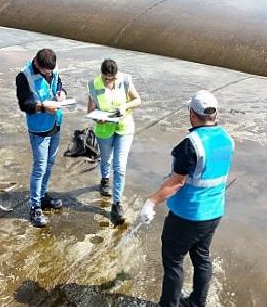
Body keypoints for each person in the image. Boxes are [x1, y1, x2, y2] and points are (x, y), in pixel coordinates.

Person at [140, 90, 234, 307]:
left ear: (192, 113)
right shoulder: (227, 139)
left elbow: (176, 182)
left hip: (187, 216)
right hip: (214, 213)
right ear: (214, 113)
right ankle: (196, 302)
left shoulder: (191, 144)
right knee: (202, 258)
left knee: (173, 262)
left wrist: (151, 201)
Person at [87, 59, 141, 225]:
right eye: (107, 79)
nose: (110, 81)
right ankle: (104, 180)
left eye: (113, 79)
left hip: (124, 128)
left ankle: (117, 204)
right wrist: (98, 118)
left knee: (119, 166)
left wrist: (125, 106)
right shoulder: (94, 84)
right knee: (106, 159)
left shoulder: (125, 80)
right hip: (104, 129)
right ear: (101, 74)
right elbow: (90, 110)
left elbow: (137, 100)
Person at [16, 49, 66, 228]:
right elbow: (25, 105)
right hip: (39, 130)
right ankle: (35, 206)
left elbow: (58, 83)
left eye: (51, 71)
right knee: (39, 168)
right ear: (37, 63)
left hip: (55, 125)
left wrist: (62, 93)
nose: (49, 74)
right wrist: (44, 107)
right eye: (46, 71)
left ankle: (43, 196)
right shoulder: (24, 76)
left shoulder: (52, 69)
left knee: (50, 164)